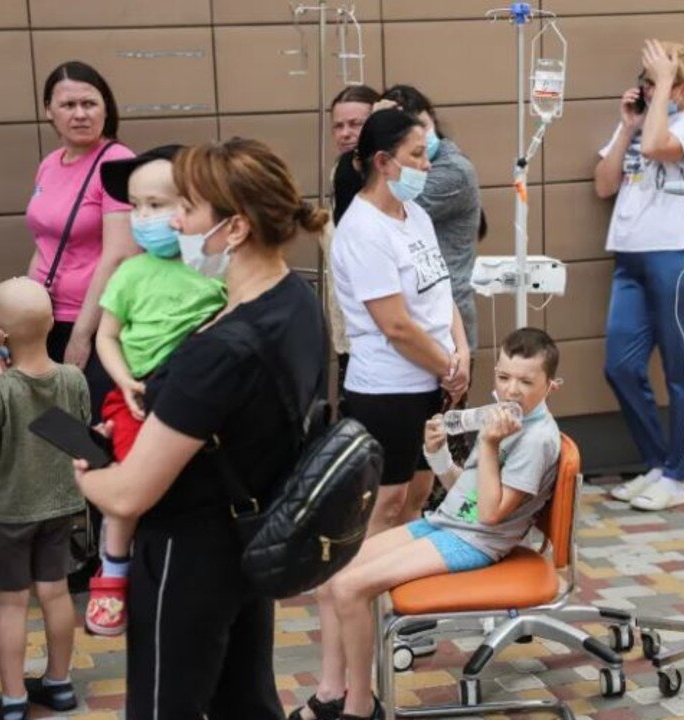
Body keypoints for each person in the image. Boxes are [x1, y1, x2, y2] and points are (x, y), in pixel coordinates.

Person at [73, 138, 328, 718]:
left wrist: (86, 473)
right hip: (251, 534)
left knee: (168, 705)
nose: (175, 221)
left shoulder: (218, 351)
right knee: (246, 700)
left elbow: (132, 491)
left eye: (185, 206)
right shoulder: (296, 302)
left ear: (234, 228)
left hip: (186, 554)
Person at [291, 328, 561, 720]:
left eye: (526, 381)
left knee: (350, 588)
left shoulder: (536, 440)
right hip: (448, 523)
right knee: (330, 574)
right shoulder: (501, 422)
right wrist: (436, 456)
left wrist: (486, 444)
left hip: (475, 542)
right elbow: (463, 495)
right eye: (503, 378)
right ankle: (332, 692)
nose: (511, 390)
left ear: (551, 386)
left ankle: (361, 706)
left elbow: (489, 515)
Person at [301, 109, 468, 720]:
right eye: (418, 156)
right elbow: (394, 324)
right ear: (382, 161)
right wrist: (446, 366)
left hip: (431, 383)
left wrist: (461, 352)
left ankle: (376, 651)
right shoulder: (362, 229)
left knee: (415, 508)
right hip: (389, 392)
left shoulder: (415, 214)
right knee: (370, 534)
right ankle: (342, 686)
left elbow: (440, 293)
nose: (427, 167)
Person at [80, 145, 228, 638]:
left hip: (192, 399)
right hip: (134, 398)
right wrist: (121, 378)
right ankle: (113, 570)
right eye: (137, 206)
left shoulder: (213, 268)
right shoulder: (129, 273)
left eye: (159, 205)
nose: (144, 217)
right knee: (127, 486)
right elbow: (106, 334)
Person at [597, 39, 684, 511]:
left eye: (657, 80)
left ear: (681, 85)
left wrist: (663, 94)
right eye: (645, 81)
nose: (648, 89)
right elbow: (605, 183)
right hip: (629, 252)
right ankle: (655, 461)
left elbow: (658, 146)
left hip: (677, 251)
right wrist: (626, 127)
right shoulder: (638, 123)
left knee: (680, 367)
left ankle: (681, 470)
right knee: (621, 364)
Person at [0, 278, 90, 720]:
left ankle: (15, 700)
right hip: (59, 507)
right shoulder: (74, 379)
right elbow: (81, 437)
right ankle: (59, 684)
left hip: (7, 514)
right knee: (56, 595)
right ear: (52, 322)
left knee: (11, 603)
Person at [379, 84, 487, 517]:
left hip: (446, 329)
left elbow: (387, 202)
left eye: (421, 131)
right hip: (423, 335)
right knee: (421, 469)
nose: (420, 151)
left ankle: (458, 534)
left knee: (441, 463)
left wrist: (453, 359)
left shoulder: (449, 173)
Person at [25, 60, 136, 418]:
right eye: (68, 105)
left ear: (106, 107)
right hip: (47, 319)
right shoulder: (50, 163)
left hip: (96, 321)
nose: (80, 114)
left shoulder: (118, 162)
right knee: (52, 423)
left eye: (89, 103)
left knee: (92, 423)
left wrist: (82, 336)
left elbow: (119, 255)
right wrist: (27, 315)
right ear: (48, 111)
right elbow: (44, 244)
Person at [325, 85, 382, 414]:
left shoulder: (365, 170)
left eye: (356, 124)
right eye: (338, 125)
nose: (346, 133)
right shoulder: (343, 167)